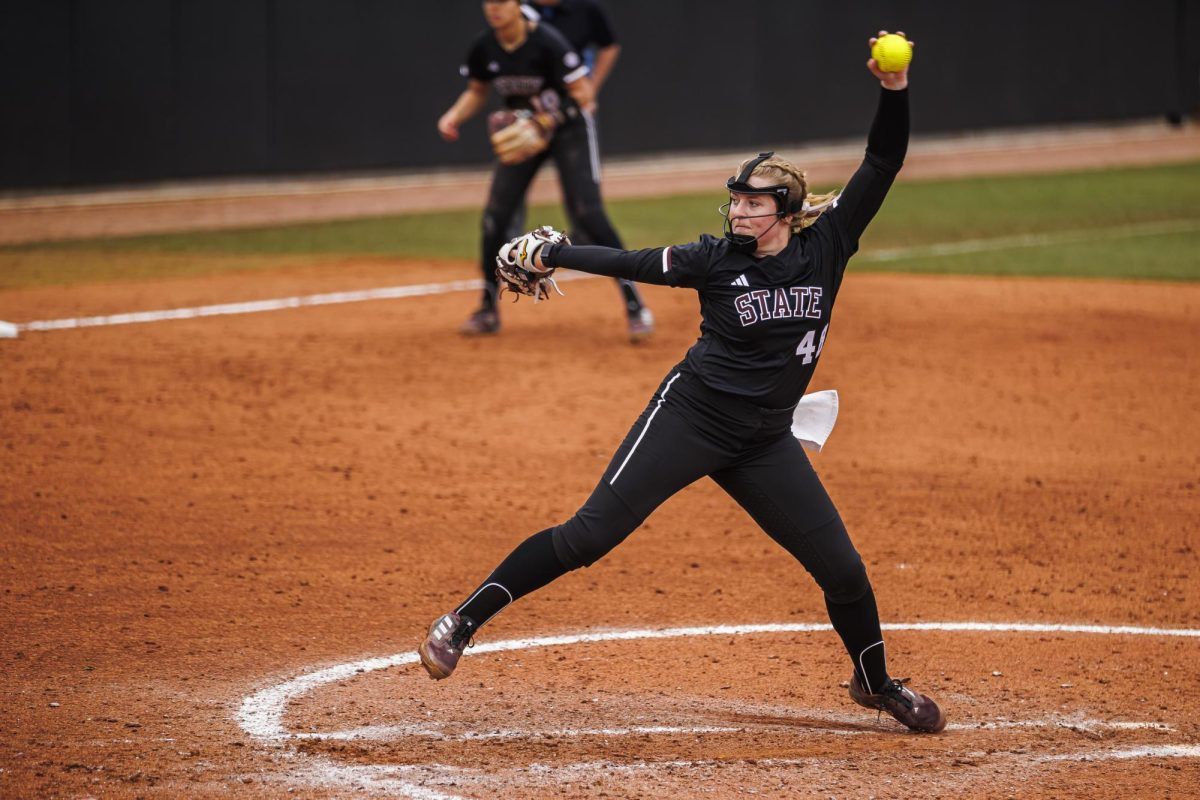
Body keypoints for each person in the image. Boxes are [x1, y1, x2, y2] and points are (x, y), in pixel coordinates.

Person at [421, 32, 946, 733]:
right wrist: (555, 251)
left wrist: (892, 89)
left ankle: (876, 682)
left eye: (753, 203)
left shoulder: (829, 244)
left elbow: (883, 158)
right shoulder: (714, 259)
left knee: (844, 572)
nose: (737, 212)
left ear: (785, 212)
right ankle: (462, 621)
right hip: (690, 417)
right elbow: (636, 261)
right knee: (588, 537)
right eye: (734, 201)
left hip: (764, 441)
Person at [438, 0, 654, 342]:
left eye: (502, 1)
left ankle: (634, 303)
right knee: (495, 218)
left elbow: (582, 93)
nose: (494, 8)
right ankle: (487, 308)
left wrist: (546, 121)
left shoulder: (547, 41)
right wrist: (453, 116)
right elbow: (477, 91)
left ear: (517, 4)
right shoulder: (485, 46)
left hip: (568, 131)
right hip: (524, 134)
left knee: (589, 214)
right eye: (489, 2)